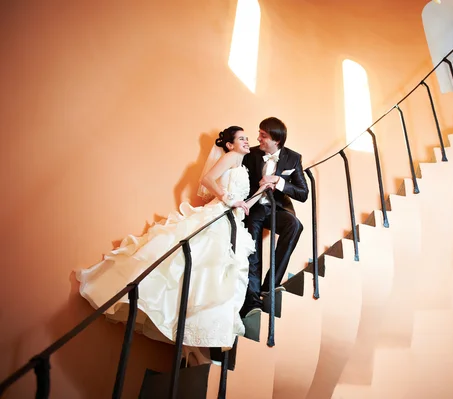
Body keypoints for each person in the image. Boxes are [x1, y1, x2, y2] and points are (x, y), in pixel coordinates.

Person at [76, 126, 273, 355]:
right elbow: (207, 179)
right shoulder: (231, 157)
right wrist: (228, 199)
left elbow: (243, 207)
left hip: (234, 222)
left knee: (218, 273)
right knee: (202, 265)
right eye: (241, 138)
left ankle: (200, 331)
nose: (247, 141)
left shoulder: (243, 168)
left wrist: (261, 190)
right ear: (229, 145)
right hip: (218, 216)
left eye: (247, 138)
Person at [240, 117, 309, 318]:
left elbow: (303, 193)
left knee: (295, 226)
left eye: (263, 135)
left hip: (277, 208)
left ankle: (270, 286)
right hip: (254, 209)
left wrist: (278, 181)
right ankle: (252, 299)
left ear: (276, 140)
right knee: (252, 250)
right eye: (259, 134)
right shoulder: (250, 154)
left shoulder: (293, 158)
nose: (258, 138)